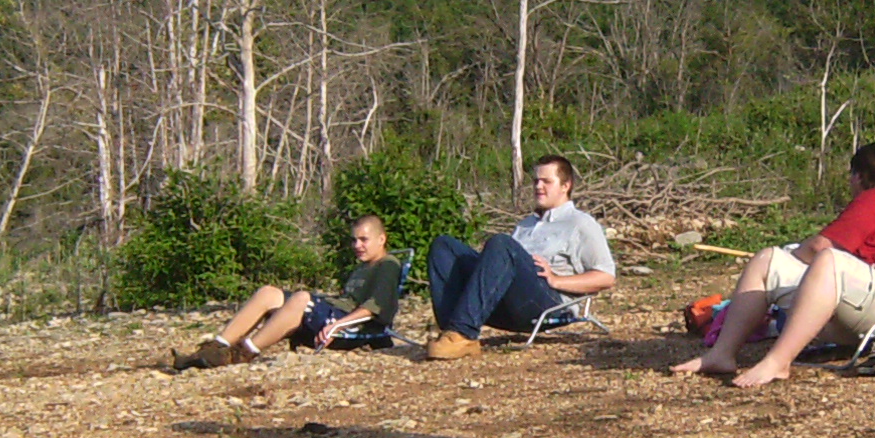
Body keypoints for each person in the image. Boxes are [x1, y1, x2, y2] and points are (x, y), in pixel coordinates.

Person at [673, 141, 875, 389]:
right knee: (767, 261)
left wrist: (792, 254)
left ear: (858, 175)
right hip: (863, 309)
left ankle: (778, 362)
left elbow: (818, 248)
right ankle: (722, 354)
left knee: (828, 259)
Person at [424, 156, 617, 360]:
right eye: (536, 181)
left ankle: (461, 334)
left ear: (565, 186)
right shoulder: (525, 225)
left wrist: (556, 280)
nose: (538, 187)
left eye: (546, 181)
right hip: (510, 302)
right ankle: (451, 332)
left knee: (501, 243)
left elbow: (606, 277)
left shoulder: (580, 223)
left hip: (549, 304)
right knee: (444, 246)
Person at [185, 215, 404, 367]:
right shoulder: (363, 266)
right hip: (336, 312)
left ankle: (243, 353)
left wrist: (336, 326)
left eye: (364, 240)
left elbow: (374, 309)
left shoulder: (387, 265)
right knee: (268, 293)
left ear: (381, 239)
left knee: (302, 298)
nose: (357, 245)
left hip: (349, 325)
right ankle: (215, 348)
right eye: (354, 240)